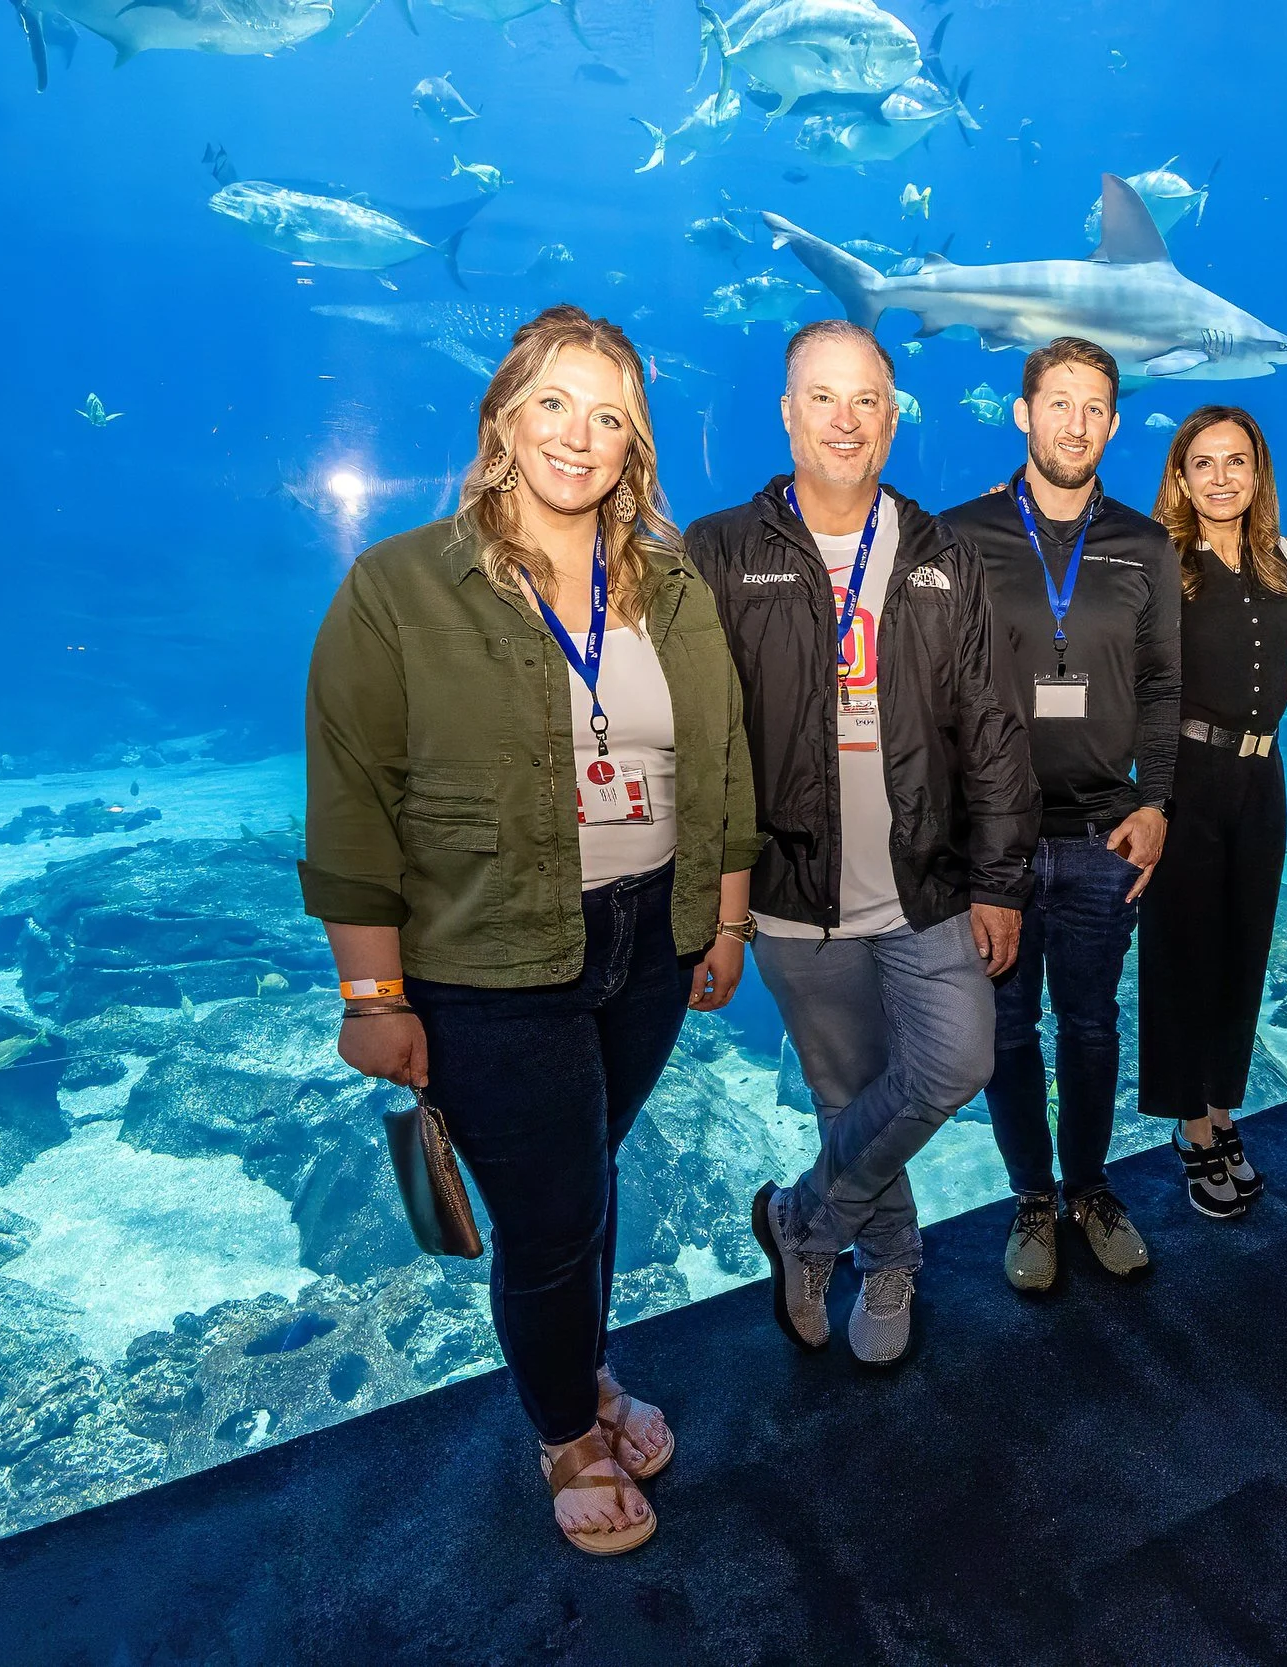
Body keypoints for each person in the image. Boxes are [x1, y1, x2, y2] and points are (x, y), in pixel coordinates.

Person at [301, 305, 758, 1556]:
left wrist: (722, 918)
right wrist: (372, 994)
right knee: (555, 1215)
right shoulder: (397, 588)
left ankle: (585, 1370)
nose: (582, 434)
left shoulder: (669, 586)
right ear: (502, 417)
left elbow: (719, 760)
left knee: (584, 1186)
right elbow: (351, 798)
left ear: (635, 446)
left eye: (611, 415)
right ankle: (564, 1423)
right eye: (555, 402)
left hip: (652, 941)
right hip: (488, 958)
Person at [687, 320, 1040, 1366]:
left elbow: (993, 730)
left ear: (893, 417)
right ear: (788, 414)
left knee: (957, 1058)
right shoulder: (718, 551)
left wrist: (1001, 882)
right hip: (794, 891)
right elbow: (699, 741)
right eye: (822, 398)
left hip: (926, 883)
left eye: (866, 400)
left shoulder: (941, 554)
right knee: (848, 1092)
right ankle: (890, 1260)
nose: (846, 420)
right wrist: (717, 907)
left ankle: (805, 1219)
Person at [943, 338, 1180, 1291]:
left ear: (1114, 425)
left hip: (1101, 836)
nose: (1075, 423)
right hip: (994, 843)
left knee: (1089, 1025)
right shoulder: (956, 536)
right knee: (1005, 1032)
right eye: (1059, 403)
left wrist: (1157, 799)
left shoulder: (1145, 542)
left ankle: (1089, 1186)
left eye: (1094, 408)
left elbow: (1163, 684)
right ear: (1022, 412)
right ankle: (1031, 1198)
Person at [1138, 407, 1287, 1218]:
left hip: (1262, 777)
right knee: (1183, 954)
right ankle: (1191, 1122)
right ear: (1181, 475)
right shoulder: (1160, 561)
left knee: (1243, 953)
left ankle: (1226, 1107)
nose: (1221, 476)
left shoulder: (1284, 561)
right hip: (1187, 776)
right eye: (1203, 463)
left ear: (1258, 470)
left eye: (1237, 461)